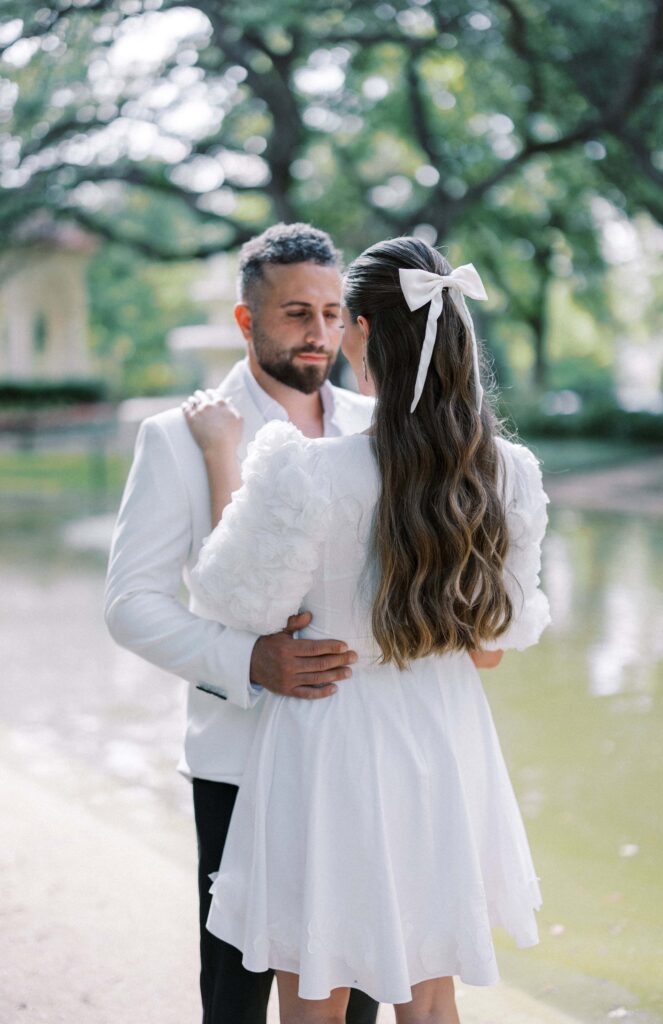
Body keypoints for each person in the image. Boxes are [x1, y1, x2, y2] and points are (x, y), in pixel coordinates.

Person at [186, 236, 551, 1024]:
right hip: (445, 742)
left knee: (318, 993)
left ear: (359, 331)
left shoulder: (306, 469)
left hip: (329, 739)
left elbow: (230, 602)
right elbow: (491, 647)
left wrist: (224, 460)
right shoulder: (507, 472)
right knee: (428, 998)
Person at [104, 223, 379, 1024]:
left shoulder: (378, 428)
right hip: (241, 756)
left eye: (332, 313)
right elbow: (130, 604)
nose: (319, 333)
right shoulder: (176, 437)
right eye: (296, 313)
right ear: (244, 320)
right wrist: (247, 659)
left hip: (361, 754)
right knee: (234, 995)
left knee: (357, 976)